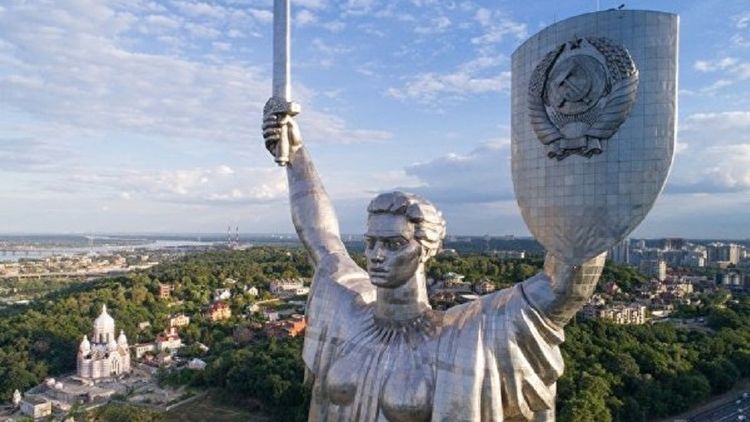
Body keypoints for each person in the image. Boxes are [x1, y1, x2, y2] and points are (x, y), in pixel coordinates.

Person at [262, 110, 606, 421]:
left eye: (394, 244)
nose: (376, 255)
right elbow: (321, 236)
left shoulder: (467, 335)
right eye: (371, 242)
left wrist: (581, 158)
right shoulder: (347, 311)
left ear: (425, 250)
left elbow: (563, 288)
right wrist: (296, 155)